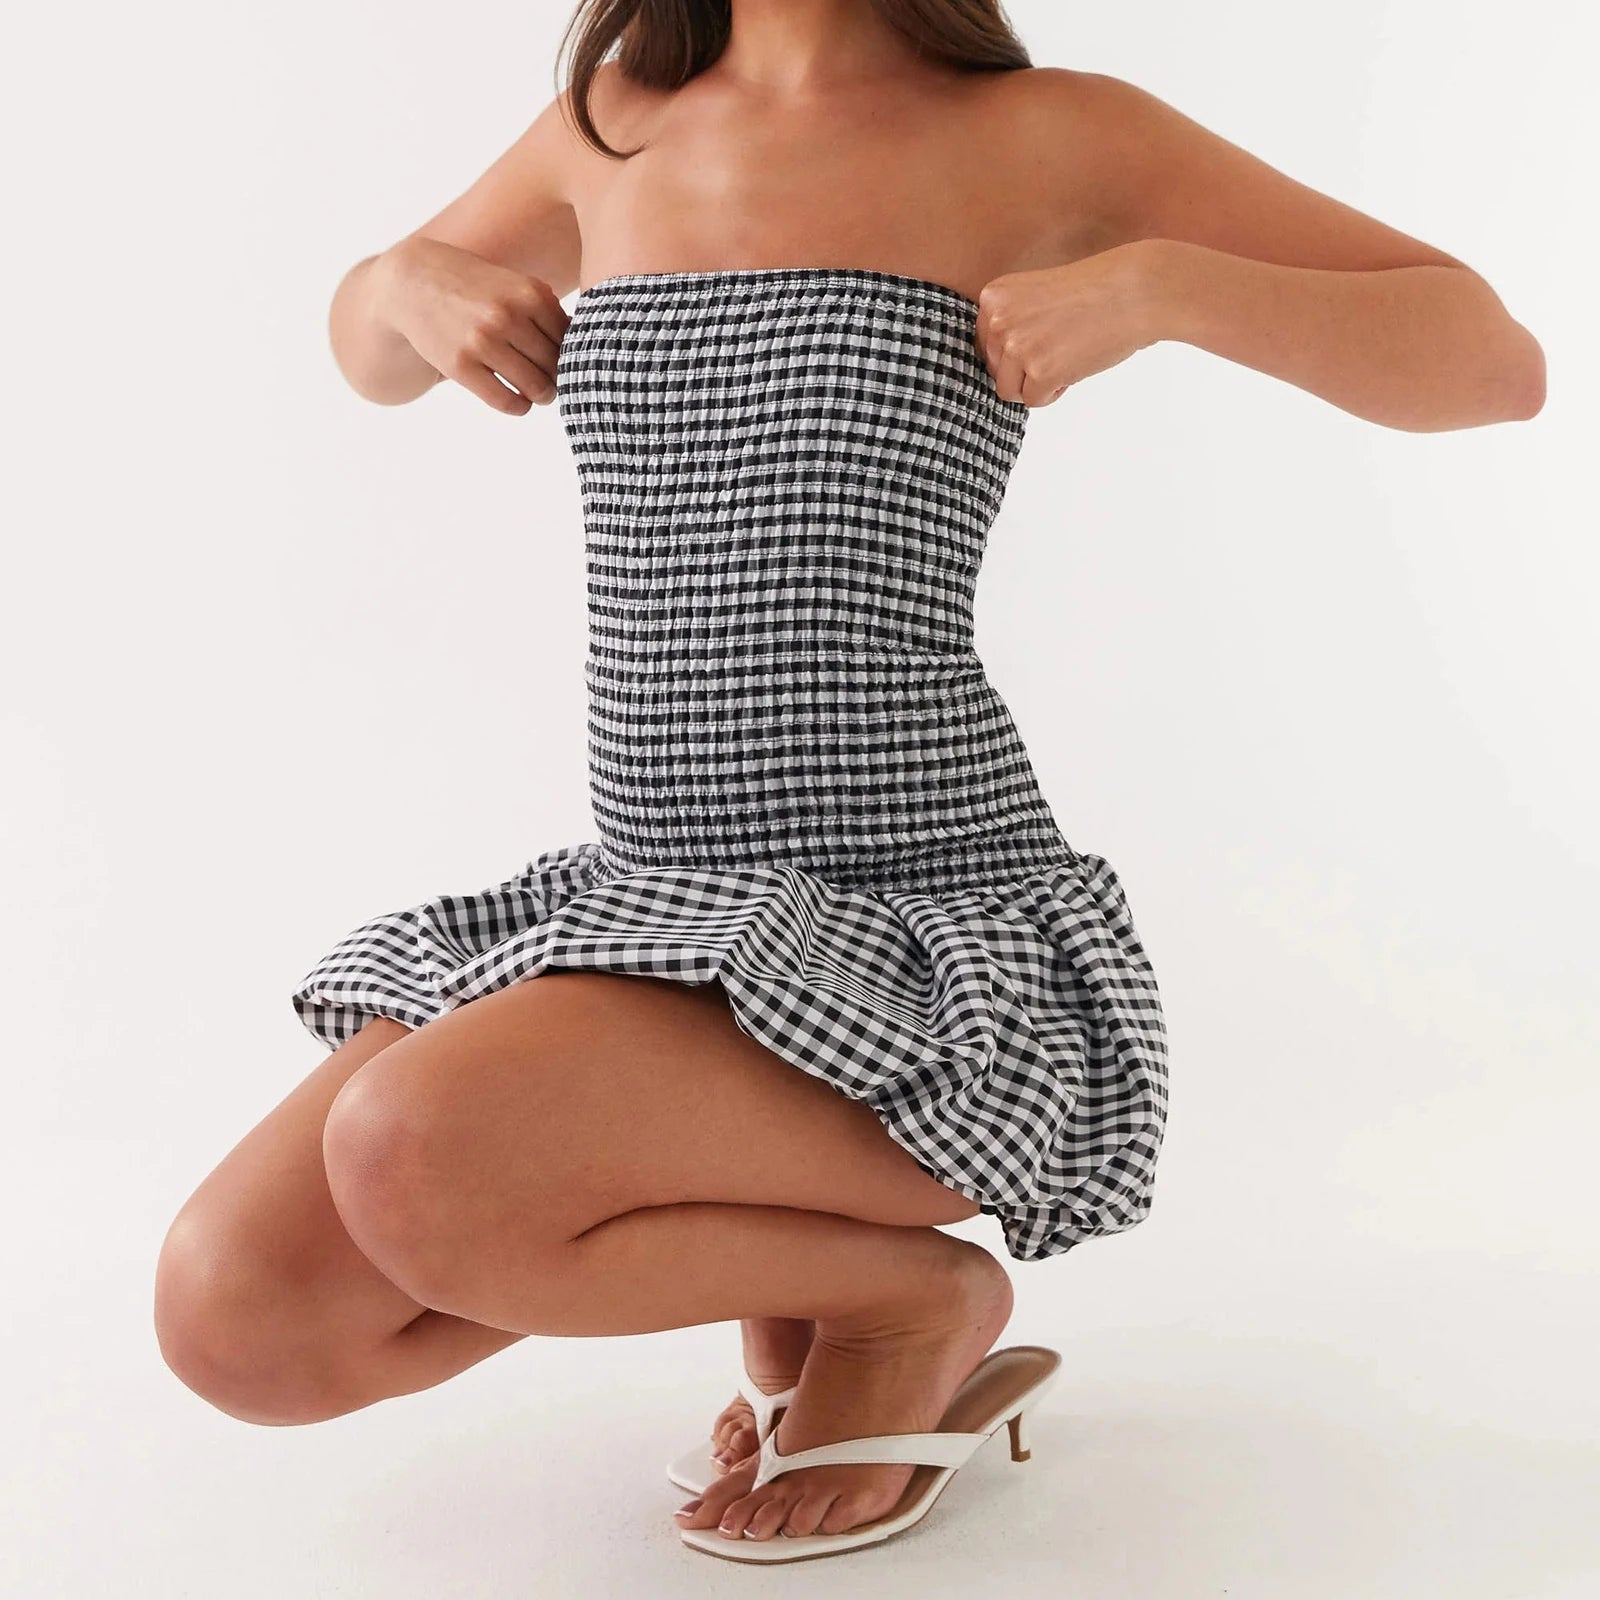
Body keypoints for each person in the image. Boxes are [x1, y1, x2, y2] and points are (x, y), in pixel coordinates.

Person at [151, 0, 1545, 1565]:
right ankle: (802, 1268)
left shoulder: (1053, 138)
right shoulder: (611, 125)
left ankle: (910, 1302)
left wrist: (1166, 290)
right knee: (240, 1322)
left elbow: (1492, 361)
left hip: (919, 937)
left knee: (412, 1150)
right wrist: (401, 279)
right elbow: (366, 355)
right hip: (660, 919)